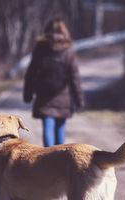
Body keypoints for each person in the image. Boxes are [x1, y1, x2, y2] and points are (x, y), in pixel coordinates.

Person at [23, 17, 84, 146]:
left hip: (44, 96)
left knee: (48, 126)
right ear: (64, 31)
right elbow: (75, 78)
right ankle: (60, 158)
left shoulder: (40, 48)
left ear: (47, 31)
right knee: (60, 128)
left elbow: (31, 72)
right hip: (63, 96)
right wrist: (79, 99)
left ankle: (48, 158)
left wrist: (27, 93)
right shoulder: (68, 51)